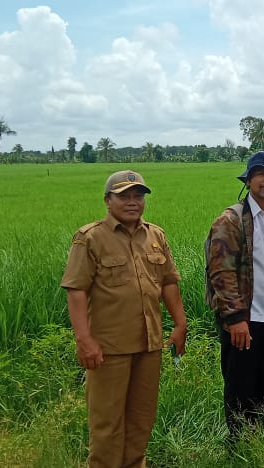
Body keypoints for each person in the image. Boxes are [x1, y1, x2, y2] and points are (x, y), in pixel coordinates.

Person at [61, 170, 188, 468]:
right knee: (107, 424)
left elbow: (169, 282)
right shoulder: (90, 238)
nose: (133, 202)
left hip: (149, 345)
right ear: (108, 200)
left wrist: (180, 324)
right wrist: (84, 340)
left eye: (138, 195)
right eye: (124, 196)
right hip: (108, 349)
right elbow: (76, 290)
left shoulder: (155, 235)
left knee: (141, 420)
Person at [206, 151, 264, 444]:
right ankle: (240, 444)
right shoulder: (231, 220)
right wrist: (235, 319)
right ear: (248, 180)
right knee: (240, 386)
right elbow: (221, 273)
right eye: (261, 174)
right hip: (245, 320)